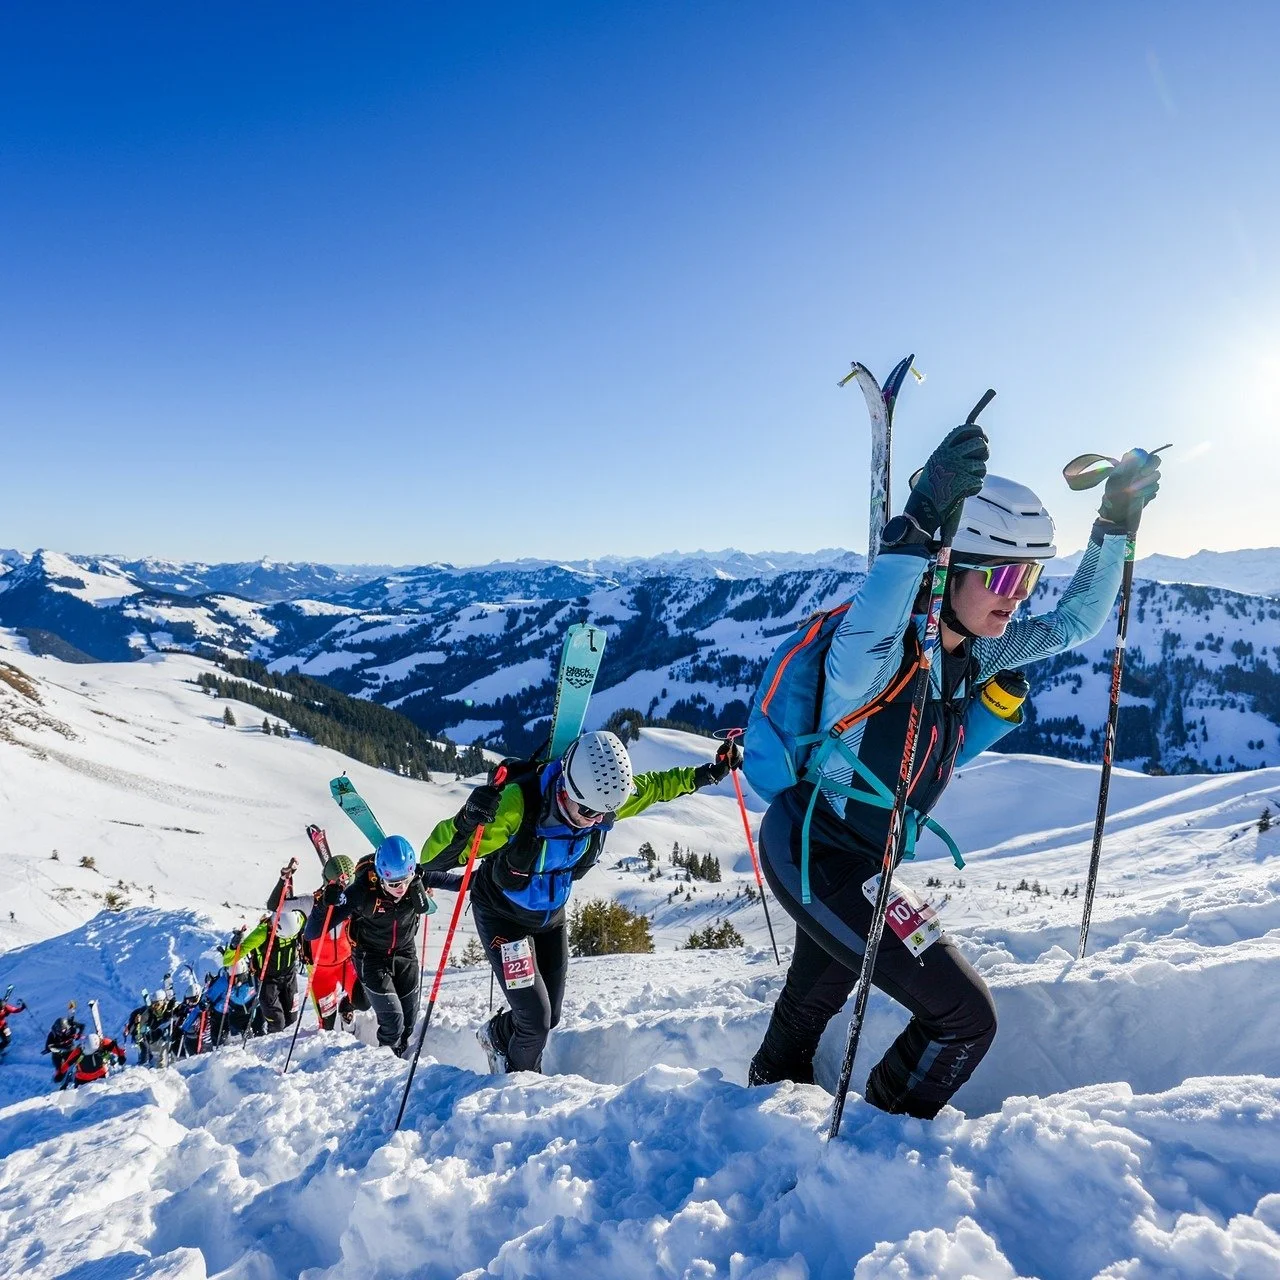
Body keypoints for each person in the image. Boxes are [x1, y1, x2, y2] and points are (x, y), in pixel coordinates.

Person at [745, 427, 1161, 1118]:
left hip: (862, 858)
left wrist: (1114, 522)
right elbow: (882, 602)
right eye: (1000, 576)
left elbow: (1076, 623)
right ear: (947, 572)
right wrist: (917, 524)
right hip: (812, 852)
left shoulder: (974, 653)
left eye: (1026, 577)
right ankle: (881, 1136)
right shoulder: (871, 657)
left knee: (820, 987)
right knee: (965, 1017)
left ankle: (770, 1085)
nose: (1017, 596)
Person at [420, 729, 741, 1074]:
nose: (597, 821)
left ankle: (497, 1035)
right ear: (566, 789)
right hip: (504, 919)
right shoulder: (516, 807)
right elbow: (432, 860)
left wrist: (709, 773)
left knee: (550, 1016)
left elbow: (656, 787)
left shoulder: (602, 804)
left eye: (605, 814)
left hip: (550, 917)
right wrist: (465, 821)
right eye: (588, 811)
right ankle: (517, 1091)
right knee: (535, 1022)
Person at [310, 837, 434, 1055]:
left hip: (383, 957)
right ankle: (377, 1060)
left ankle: (398, 1055)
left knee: (401, 1017)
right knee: (389, 1019)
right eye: (394, 883)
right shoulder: (356, 893)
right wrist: (324, 904)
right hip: (353, 962)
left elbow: (451, 881)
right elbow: (311, 931)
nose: (401, 888)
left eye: (405, 880)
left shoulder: (410, 884)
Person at [226, 902, 307, 1034]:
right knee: (277, 1022)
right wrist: (234, 947)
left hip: (289, 976)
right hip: (268, 980)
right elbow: (229, 960)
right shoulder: (261, 933)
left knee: (292, 1018)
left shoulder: (299, 919)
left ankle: (287, 1048)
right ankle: (272, 1045)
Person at [204, 958, 259, 1045]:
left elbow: (261, 988)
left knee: (259, 1034)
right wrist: (205, 1003)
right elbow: (209, 995)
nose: (235, 982)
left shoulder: (252, 978)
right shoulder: (225, 982)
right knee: (236, 1039)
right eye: (232, 979)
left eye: (237, 978)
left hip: (253, 1011)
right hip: (236, 1015)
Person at [55, 1031, 126, 1088]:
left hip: (99, 1077)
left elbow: (116, 1049)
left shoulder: (104, 1043)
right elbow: (68, 1063)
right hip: (83, 1080)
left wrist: (121, 1056)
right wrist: (60, 1073)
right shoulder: (79, 1050)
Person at [125, 989, 176, 1066]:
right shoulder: (147, 1013)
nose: (154, 1007)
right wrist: (136, 1024)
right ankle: (142, 1065)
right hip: (141, 1032)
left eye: (157, 1004)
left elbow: (168, 1019)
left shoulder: (166, 1008)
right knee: (145, 1048)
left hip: (154, 1032)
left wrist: (170, 1011)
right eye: (153, 1004)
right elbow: (134, 1030)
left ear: (163, 1002)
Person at [43, 1010, 86, 1078]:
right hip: (58, 1052)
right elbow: (47, 1047)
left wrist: (79, 1034)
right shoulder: (52, 1034)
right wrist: (50, 1049)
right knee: (59, 1068)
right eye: (59, 1030)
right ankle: (59, 1075)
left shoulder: (70, 1023)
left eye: (63, 1030)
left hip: (69, 1048)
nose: (61, 1032)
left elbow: (82, 1026)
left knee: (75, 1061)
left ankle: (80, 1072)